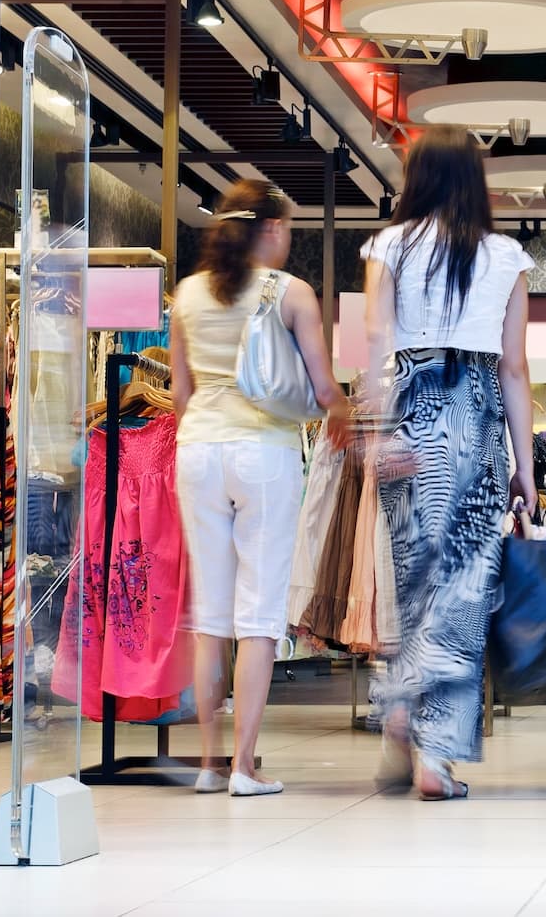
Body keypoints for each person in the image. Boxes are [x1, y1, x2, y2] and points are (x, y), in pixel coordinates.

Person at [364, 126, 536, 800]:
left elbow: (378, 336)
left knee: (413, 577)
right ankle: (434, 754)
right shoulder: (506, 256)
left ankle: (400, 700)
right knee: (463, 587)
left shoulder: (387, 246)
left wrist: (377, 429)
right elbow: (516, 367)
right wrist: (525, 464)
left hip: (410, 401)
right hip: (478, 410)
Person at [171, 180, 351, 797]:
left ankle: (206, 764)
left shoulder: (187, 295)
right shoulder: (290, 293)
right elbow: (325, 392)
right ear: (271, 229)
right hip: (265, 454)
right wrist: (353, 421)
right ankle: (244, 768)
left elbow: (180, 395)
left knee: (211, 617)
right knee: (258, 615)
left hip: (196, 452)